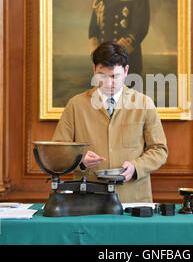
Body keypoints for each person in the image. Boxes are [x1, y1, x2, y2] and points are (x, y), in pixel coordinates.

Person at [53, 41, 167, 203]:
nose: (108, 83)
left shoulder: (144, 103)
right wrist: (80, 160)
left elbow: (159, 149)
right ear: (94, 70)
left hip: (134, 199)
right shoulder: (75, 105)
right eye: (102, 75)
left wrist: (136, 167)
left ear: (126, 71)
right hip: (88, 200)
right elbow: (58, 151)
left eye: (115, 76)